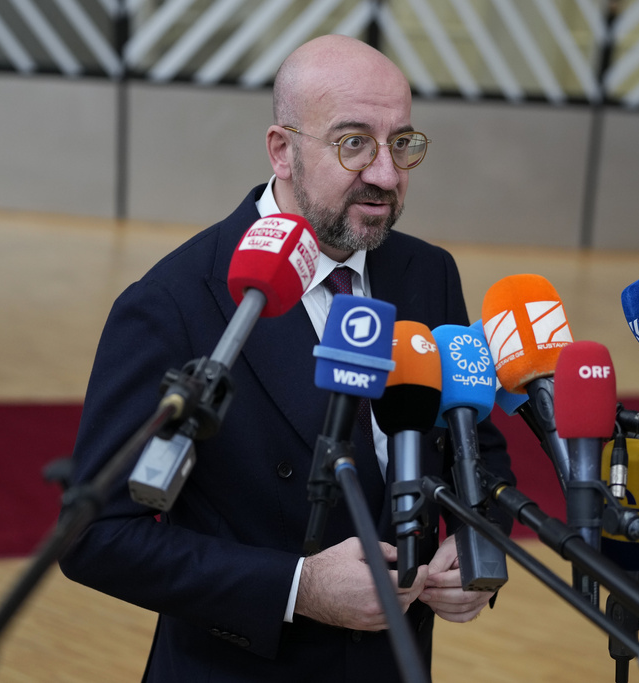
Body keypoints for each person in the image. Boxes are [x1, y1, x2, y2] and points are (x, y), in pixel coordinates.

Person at [59, 34, 514, 682]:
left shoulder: (427, 272)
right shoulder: (175, 301)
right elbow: (96, 535)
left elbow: (482, 450)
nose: (386, 174)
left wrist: (476, 548)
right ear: (282, 149)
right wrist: (298, 586)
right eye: (354, 142)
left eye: (402, 143)